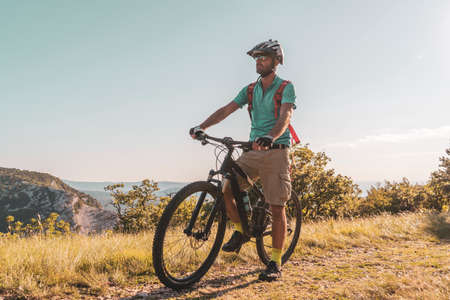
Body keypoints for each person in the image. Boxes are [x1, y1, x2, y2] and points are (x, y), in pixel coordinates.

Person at [189, 39, 296, 282]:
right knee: (227, 187)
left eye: (264, 57)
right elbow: (227, 109)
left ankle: (275, 262)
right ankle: (241, 231)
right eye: (256, 58)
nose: (258, 61)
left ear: (276, 61)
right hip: (252, 150)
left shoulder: (285, 87)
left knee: (277, 207)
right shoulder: (250, 89)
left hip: (276, 150)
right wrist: (202, 126)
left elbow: (285, 116)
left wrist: (270, 136)